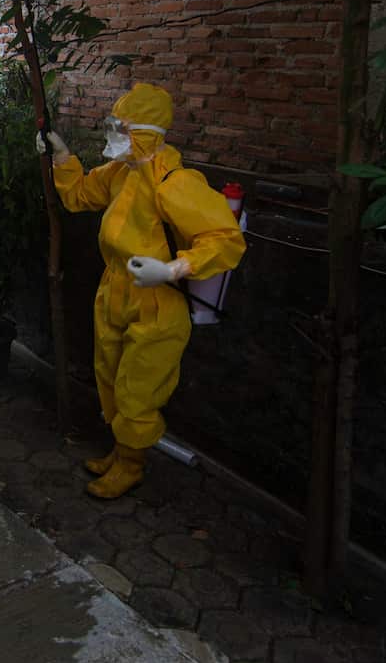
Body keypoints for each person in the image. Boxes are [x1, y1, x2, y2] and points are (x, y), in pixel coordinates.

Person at [37, 83, 246, 500]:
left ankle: (132, 465)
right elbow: (80, 196)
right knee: (110, 376)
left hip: (157, 302)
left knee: (139, 388)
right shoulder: (121, 173)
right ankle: (120, 450)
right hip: (114, 287)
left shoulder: (176, 182)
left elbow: (225, 239)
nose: (111, 137)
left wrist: (171, 269)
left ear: (146, 134)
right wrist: (60, 155)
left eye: (121, 128)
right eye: (112, 126)